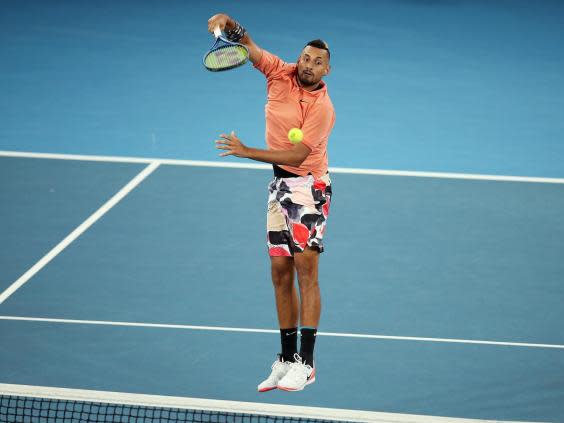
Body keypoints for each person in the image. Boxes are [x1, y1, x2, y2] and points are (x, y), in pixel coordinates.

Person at [208, 13, 335, 392]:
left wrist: (247, 151)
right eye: (306, 58)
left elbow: (296, 156)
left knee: (305, 273)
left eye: (317, 62)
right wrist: (232, 26)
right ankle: (286, 358)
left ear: (327, 68)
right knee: (280, 273)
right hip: (278, 188)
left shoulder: (322, 108)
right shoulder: (280, 72)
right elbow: (251, 49)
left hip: (308, 187)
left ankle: (307, 364)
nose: (309, 66)